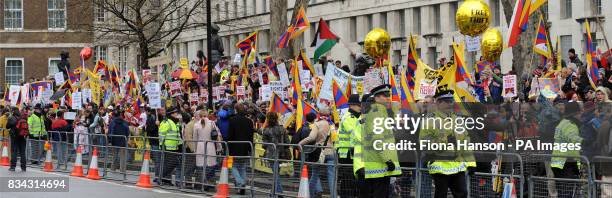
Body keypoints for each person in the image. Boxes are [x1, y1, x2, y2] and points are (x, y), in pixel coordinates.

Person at [360, 84, 401, 198]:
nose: (389, 98)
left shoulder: (381, 112)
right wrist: (387, 160)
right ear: (377, 98)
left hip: (380, 164)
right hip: (380, 164)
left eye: (389, 95)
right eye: (385, 95)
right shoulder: (376, 113)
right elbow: (377, 139)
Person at [298, 106, 335, 197]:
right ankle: (333, 196)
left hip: (319, 153)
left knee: (315, 175)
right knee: (331, 176)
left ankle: (310, 194)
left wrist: (300, 143)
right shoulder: (332, 124)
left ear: (319, 114)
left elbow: (312, 137)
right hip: (331, 152)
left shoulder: (317, 124)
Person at [550, 102, 583, 197]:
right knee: (568, 193)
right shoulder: (571, 124)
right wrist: (585, 142)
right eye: (580, 112)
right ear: (575, 113)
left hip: (557, 161)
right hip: (567, 163)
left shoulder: (562, 122)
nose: (581, 114)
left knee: (562, 192)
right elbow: (572, 139)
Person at [336, 94, 361, 197]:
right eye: (359, 104)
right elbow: (355, 134)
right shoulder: (348, 117)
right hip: (346, 154)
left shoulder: (357, 117)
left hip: (354, 154)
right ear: (352, 105)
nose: (361, 106)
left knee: (354, 182)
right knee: (348, 182)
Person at [227, 103, 255, 195]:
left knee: (231, 165)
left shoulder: (232, 120)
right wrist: (250, 148)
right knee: (242, 167)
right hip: (245, 148)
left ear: (236, 110)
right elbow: (251, 136)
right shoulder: (249, 121)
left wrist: (227, 146)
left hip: (233, 147)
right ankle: (241, 186)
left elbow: (230, 135)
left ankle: (240, 182)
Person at [194, 110, 221, 191]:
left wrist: (195, 149)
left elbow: (195, 138)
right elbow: (216, 135)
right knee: (210, 165)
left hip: (200, 146)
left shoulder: (196, 124)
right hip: (210, 145)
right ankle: (208, 182)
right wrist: (219, 146)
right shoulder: (212, 123)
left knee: (201, 166)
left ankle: (203, 183)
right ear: (207, 115)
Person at [159, 107, 183, 185]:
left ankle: (165, 180)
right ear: (172, 114)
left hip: (174, 147)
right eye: (176, 113)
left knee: (170, 164)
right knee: (171, 163)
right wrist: (162, 146)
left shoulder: (175, 122)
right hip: (167, 147)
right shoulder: (167, 122)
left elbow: (177, 135)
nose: (177, 114)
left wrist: (180, 145)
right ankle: (160, 177)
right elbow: (161, 135)